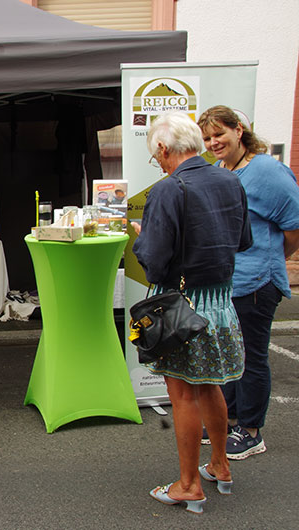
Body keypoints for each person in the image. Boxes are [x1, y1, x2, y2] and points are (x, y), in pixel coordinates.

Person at [132, 112, 252, 513]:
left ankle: (188, 485)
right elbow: (243, 240)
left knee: (182, 394)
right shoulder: (231, 179)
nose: (159, 164)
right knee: (210, 386)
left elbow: (153, 260)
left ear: (164, 149)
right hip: (221, 302)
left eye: (157, 157)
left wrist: (142, 237)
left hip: (182, 306)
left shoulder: (169, 188)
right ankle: (220, 465)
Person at [197, 105, 299, 459]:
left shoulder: (268, 171)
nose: (213, 142)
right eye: (208, 138)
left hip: (257, 282)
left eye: (219, 134)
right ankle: (228, 421)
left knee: (251, 358)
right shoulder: (220, 170)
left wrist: (268, 259)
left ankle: (252, 431)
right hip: (227, 282)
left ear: (240, 130)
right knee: (229, 355)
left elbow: (293, 226)